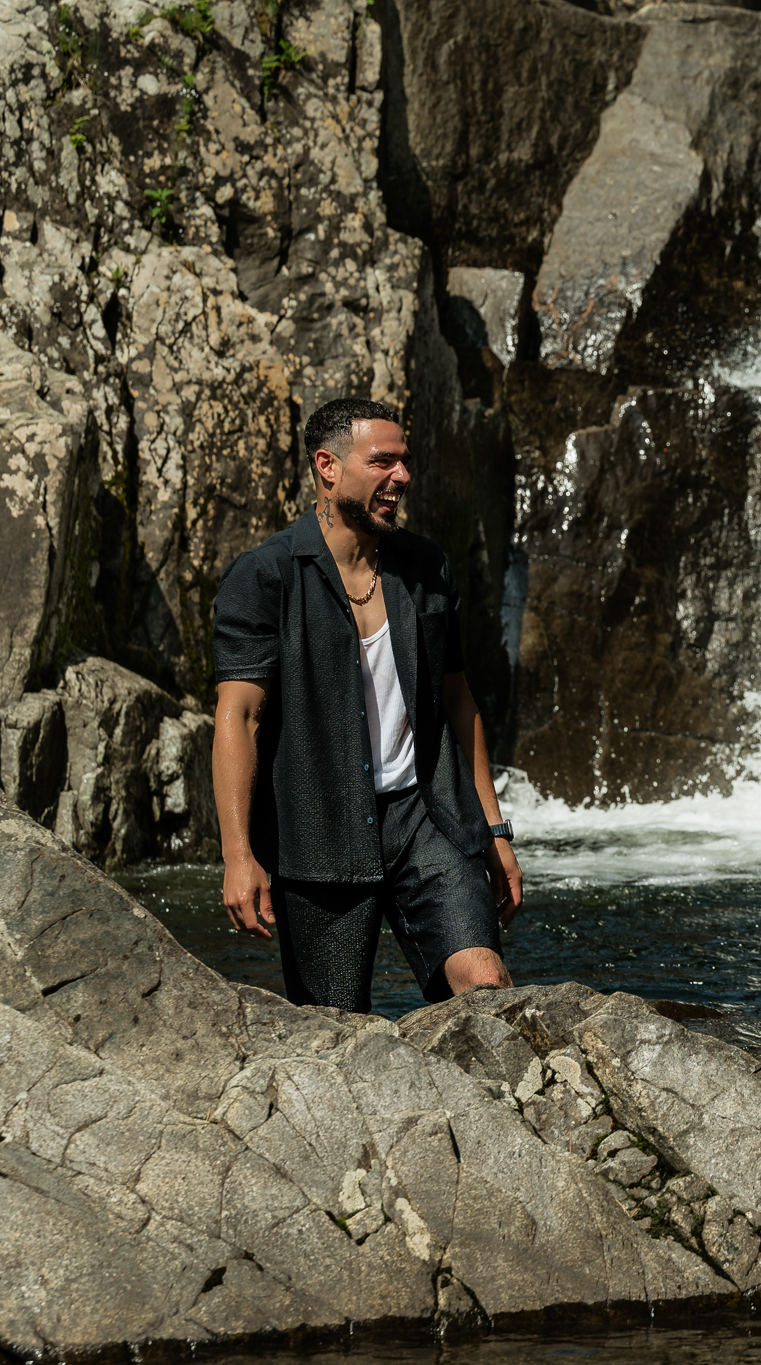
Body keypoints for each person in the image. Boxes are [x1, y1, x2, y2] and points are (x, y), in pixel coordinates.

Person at [211, 397, 525, 1014]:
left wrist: (493, 831)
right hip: (317, 838)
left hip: (426, 818)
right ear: (328, 467)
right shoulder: (266, 575)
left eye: (405, 462)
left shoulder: (426, 567)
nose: (401, 477)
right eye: (383, 461)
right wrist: (238, 855)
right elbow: (238, 717)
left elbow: (459, 702)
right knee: (335, 1032)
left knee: (486, 990)